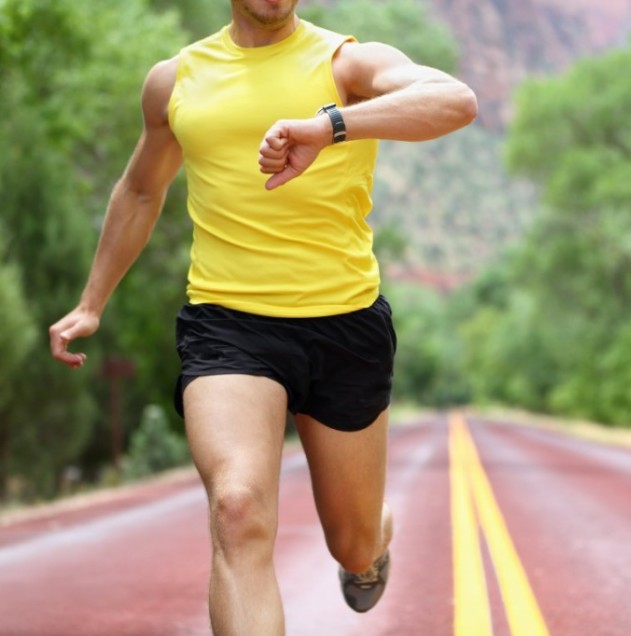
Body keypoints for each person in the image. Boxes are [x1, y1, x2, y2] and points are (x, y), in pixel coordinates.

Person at [48, 1, 477, 633]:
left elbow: (455, 101)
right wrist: (91, 302)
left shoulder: (346, 61)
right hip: (228, 325)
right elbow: (142, 188)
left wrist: (331, 125)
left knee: (352, 544)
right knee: (237, 508)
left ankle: (373, 539)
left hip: (344, 323)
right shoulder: (177, 79)